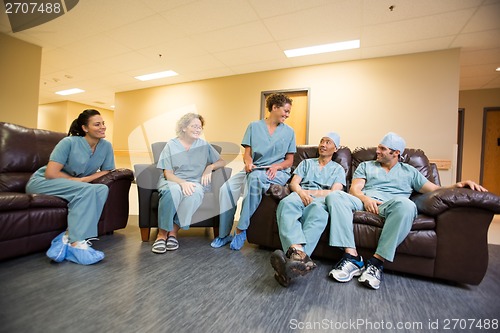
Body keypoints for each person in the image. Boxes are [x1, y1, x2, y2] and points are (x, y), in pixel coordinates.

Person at [327, 132, 487, 290]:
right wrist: (366, 199)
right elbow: (355, 189)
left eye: (382, 149)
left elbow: (435, 189)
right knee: (336, 197)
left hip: (391, 205)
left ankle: (376, 263)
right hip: (364, 201)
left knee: (407, 205)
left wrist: (458, 185)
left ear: (396, 153)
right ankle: (352, 258)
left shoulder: (409, 171)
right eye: (378, 147)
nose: (377, 151)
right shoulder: (366, 166)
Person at [26, 109, 115, 265]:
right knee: (87, 190)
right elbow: (51, 173)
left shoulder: (106, 146)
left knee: (102, 189)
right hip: (44, 182)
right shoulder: (69, 142)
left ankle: (68, 237)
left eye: (103, 123)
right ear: (85, 128)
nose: (102, 127)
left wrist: (85, 179)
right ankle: (77, 243)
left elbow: (107, 170)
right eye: (97, 124)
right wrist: (77, 181)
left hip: (73, 185)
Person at [211, 93, 296, 250]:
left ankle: (241, 229)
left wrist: (277, 166)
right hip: (254, 168)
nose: (288, 115)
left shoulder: (289, 132)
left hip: (276, 172)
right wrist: (248, 163)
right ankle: (224, 235)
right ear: (275, 108)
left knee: (255, 180)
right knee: (226, 189)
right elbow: (247, 154)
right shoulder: (253, 127)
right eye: (286, 111)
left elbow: (289, 161)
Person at [270, 132, 346, 287]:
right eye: (321, 141)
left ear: (335, 148)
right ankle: (298, 254)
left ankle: (289, 269)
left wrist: (310, 193)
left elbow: (335, 192)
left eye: (328, 142)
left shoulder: (338, 169)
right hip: (300, 194)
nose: (323, 145)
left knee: (319, 214)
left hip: (320, 199)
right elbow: (294, 183)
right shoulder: (306, 163)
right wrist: (300, 192)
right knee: (286, 204)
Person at [152, 113, 226, 254]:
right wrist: (182, 183)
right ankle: (161, 235)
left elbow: (221, 161)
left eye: (200, 127)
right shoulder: (171, 145)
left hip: (194, 182)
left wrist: (209, 167)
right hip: (173, 180)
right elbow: (168, 173)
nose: (198, 130)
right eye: (194, 126)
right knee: (171, 192)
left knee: (195, 193)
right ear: (184, 128)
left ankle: (173, 232)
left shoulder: (204, 145)